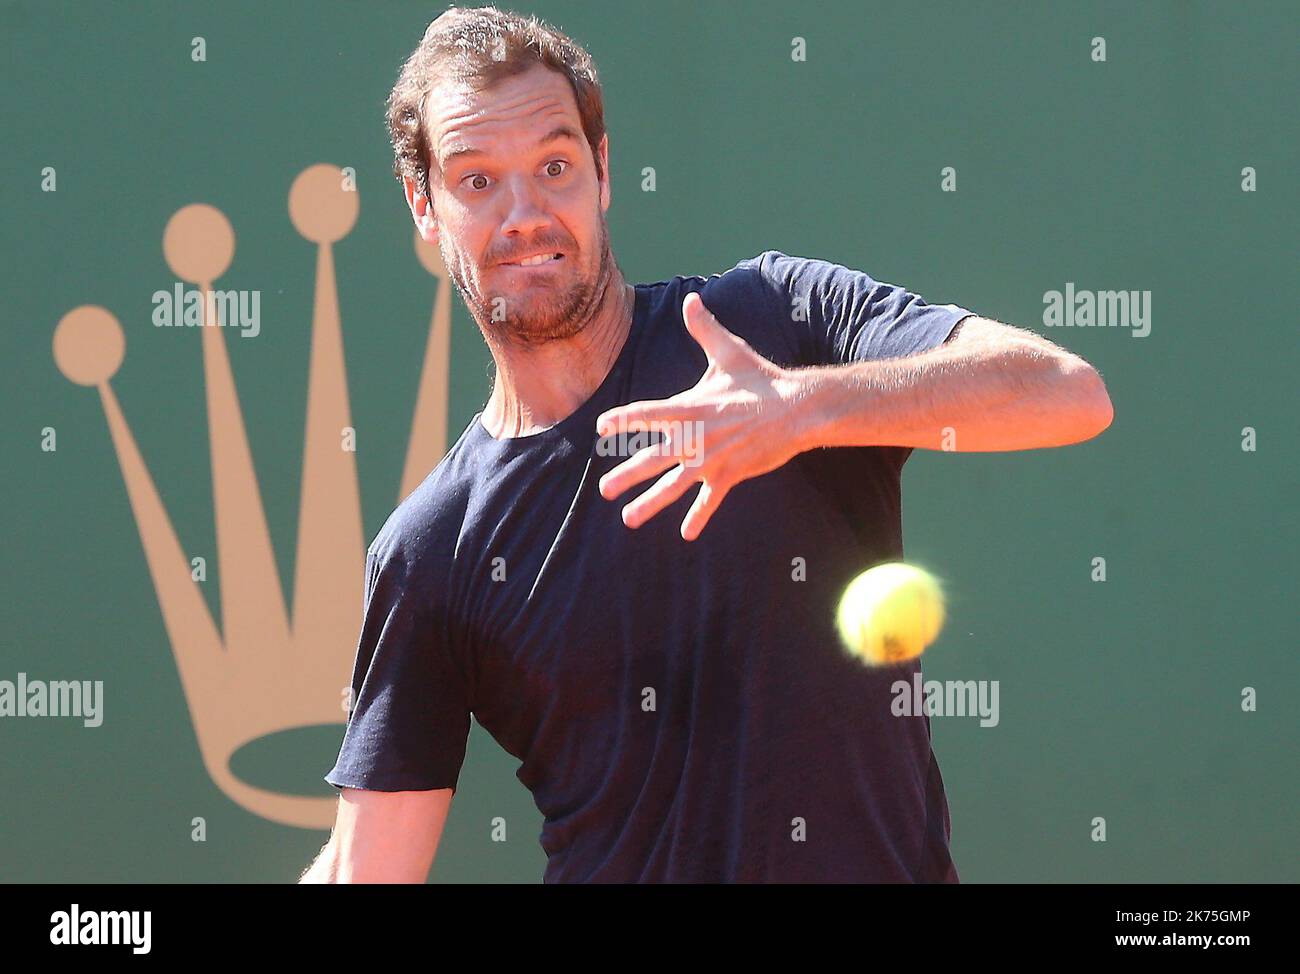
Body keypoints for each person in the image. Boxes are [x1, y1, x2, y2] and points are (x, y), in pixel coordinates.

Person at [299, 6, 1112, 883]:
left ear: (603, 173)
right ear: (425, 206)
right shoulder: (433, 551)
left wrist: (798, 410)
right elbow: (367, 867)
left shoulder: (775, 319)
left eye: (555, 165)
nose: (526, 213)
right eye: (477, 181)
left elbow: (1065, 392)